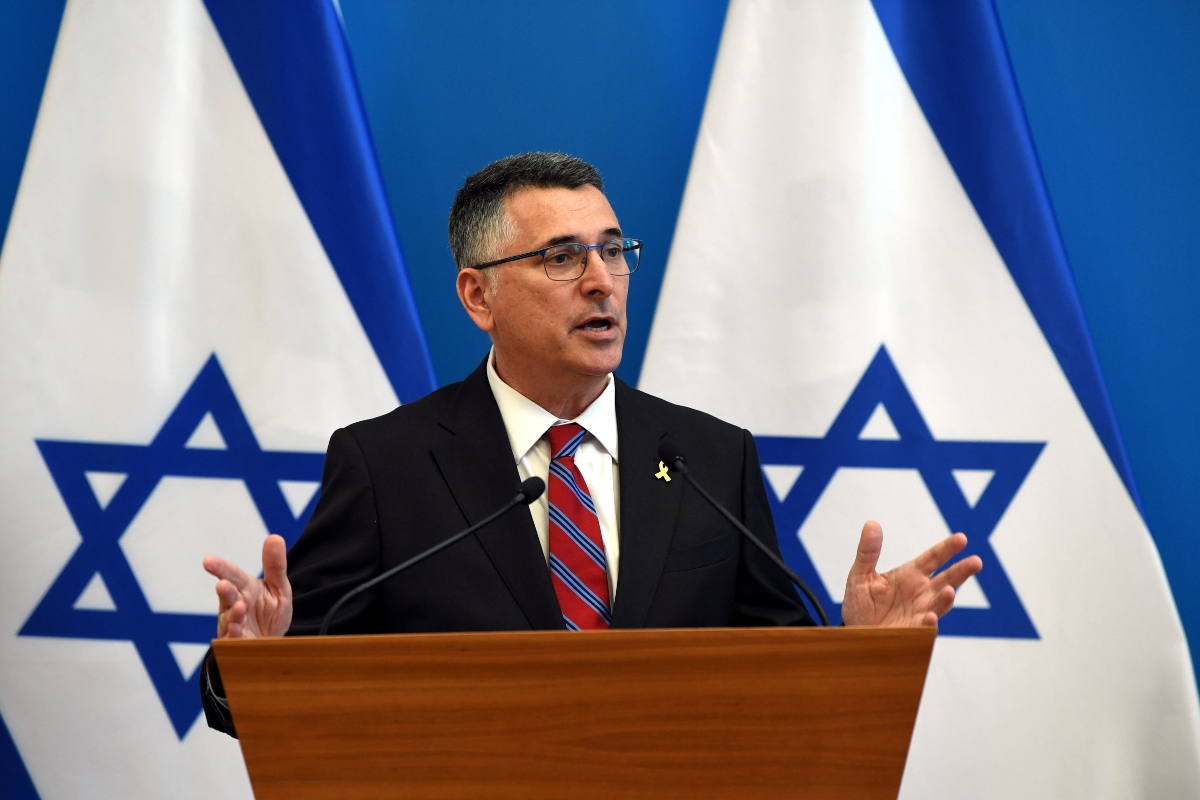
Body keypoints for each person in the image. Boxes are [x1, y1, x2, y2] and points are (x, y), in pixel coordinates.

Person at [199, 153, 982, 736]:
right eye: (563, 258)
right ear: (479, 296)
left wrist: (860, 655)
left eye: (613, 250)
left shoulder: (714, 460)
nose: (603, 280)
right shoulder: (388, 467)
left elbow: (780, 696)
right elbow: (257, 701)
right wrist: (253, 663)